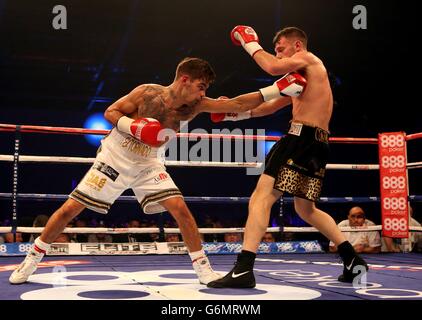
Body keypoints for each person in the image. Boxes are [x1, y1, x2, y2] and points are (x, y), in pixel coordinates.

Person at [10, 56, 294, 285]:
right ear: (185, 79)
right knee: (69, 210)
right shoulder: (147, 93)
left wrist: (278, 89)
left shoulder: (197, 104)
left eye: (205, 87)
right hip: (116, 155)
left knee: (181, 209)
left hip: (150, 162)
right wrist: (133, 126)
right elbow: (111, 112)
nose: (203, 92)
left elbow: (239, 104)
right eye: (200, 85)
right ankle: (30, 261)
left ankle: (203, 270)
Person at [207, 26, 368, 288]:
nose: (277, 52)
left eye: (281, 47)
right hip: (317, 144)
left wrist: (250, 43)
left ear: (297, 46)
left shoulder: (310, 59)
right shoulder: (302, 80)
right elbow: (267, 107)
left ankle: (243, 269)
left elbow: (270, 67)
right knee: (306, 209)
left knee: (261, 197)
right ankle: (353, 260)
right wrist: (230, 114)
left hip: (299, 139)